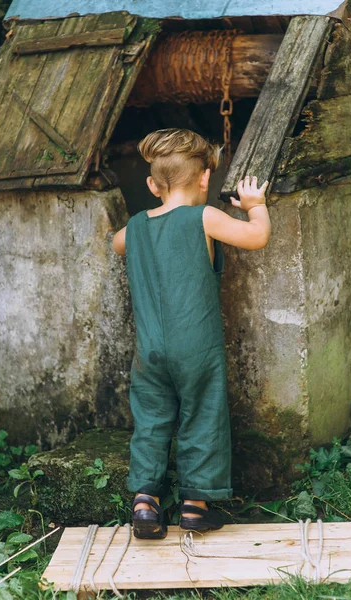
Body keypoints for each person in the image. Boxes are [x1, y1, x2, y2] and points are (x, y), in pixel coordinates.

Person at [113, 128, 271, 539]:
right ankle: (195, 506)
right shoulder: (204, 217)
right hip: (196, 347)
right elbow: (257, 237)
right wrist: (255, 206)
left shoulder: (134, 227)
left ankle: (145, 505)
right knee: (202, 414)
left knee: (151, 421)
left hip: (149, 351)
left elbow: (116, 244)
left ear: (152, 185)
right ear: (205, 179)